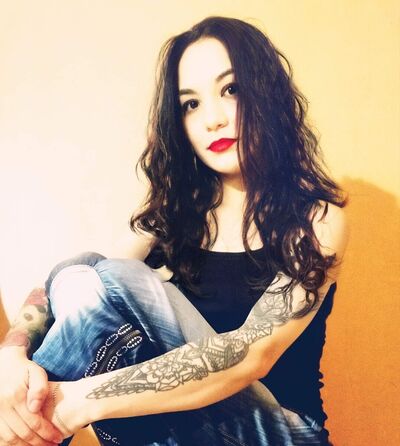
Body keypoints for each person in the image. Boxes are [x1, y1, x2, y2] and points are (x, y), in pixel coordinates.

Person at [0, 16, 348, 446]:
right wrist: (11, 356)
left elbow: (251, 355)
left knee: (117, 276)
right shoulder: (173, 216)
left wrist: (75, 402)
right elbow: (72, 286)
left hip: (285, 435)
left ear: (266, 94)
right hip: (193, 428)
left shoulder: (316, 220)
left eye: (231, 89)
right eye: (191, 104)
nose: (212, 119)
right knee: (83, 273)